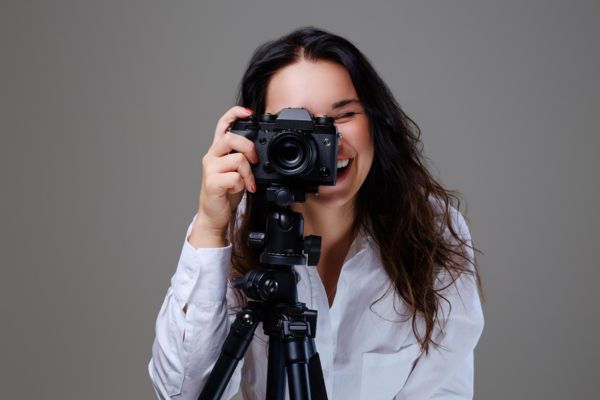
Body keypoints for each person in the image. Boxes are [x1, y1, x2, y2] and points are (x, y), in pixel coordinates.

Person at [148, 27, 484, 400]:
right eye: (296, 125)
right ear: (257, 136)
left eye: (342, 116)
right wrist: (211, 228)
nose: (327, 144)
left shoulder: (433, 230)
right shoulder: (234, 229)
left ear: (376, 121)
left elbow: (443, 392)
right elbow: (184, 395)